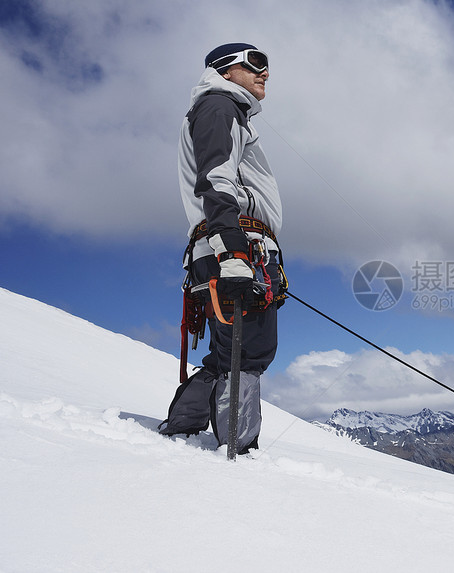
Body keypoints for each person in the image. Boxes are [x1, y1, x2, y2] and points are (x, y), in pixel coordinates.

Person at [159, 43, 284, 455]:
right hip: (234, 242)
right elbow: (217, 178)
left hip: (224, 243)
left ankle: (184, 428)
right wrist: (233, 253)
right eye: (254, 63)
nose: (264, 72)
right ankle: (239, 447)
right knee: (249, 350)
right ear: (224, 71)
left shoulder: (224, 110)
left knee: (230, 347)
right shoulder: (218, 106)